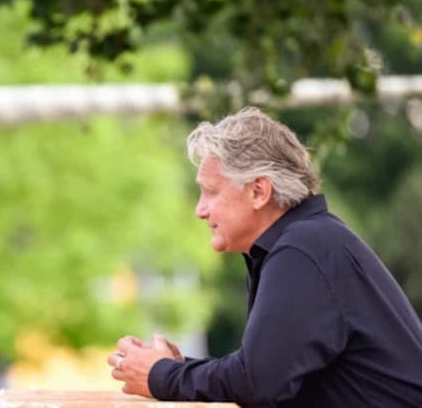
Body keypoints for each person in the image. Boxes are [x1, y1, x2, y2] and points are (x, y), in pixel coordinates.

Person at [108, 108, 422, 407]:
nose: (200, 210)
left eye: (211, 192)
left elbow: (257, 384)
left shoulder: (302, 248)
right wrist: (174, 368)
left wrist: (160, 375)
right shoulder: (307, 240)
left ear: (259, 192)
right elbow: (270, 375)